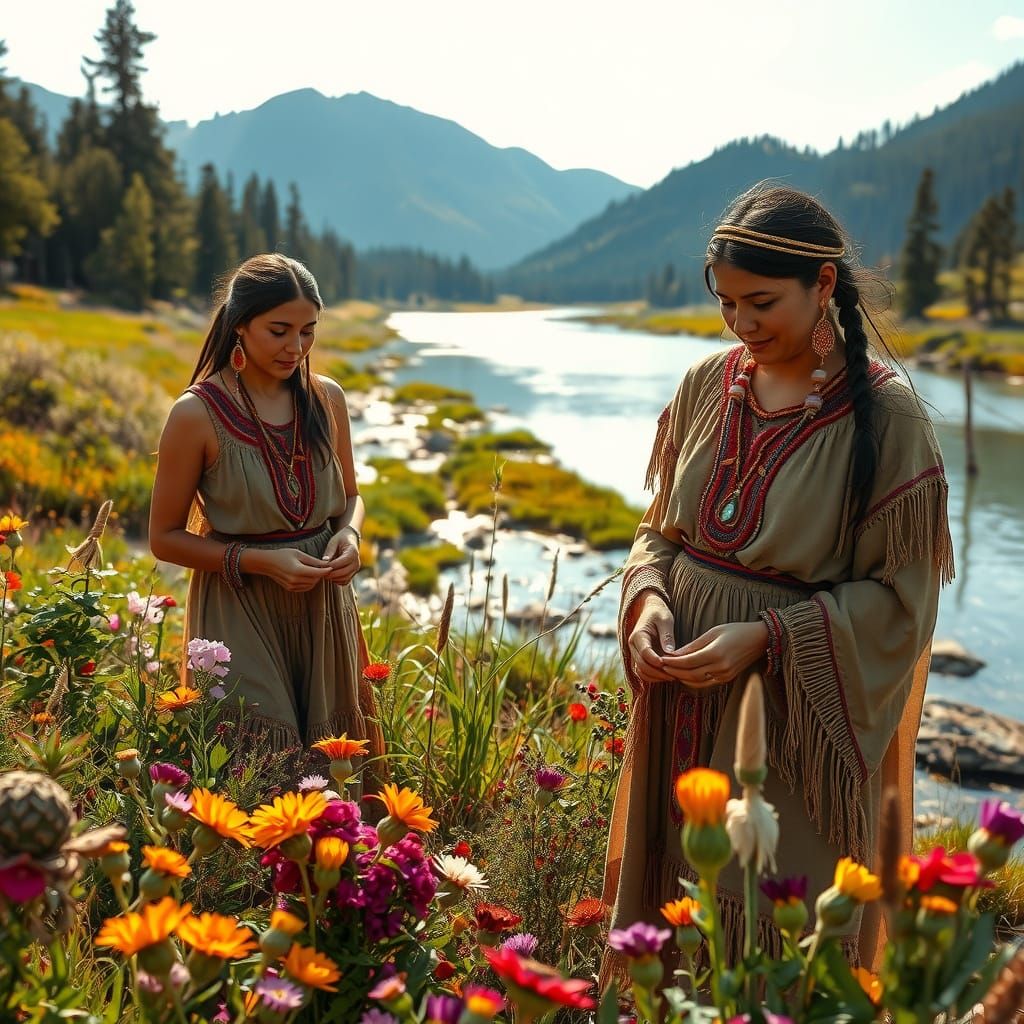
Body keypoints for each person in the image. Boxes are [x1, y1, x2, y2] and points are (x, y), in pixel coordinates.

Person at [600, 185, 953, 981]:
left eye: (761, 303)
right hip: (676, 704)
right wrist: (650, 596)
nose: (741, 325)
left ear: (825, 284)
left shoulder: (890, 422)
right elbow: (659, 532)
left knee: (764, 934)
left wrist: (767, 638)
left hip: (789, 724)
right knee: (663, 919)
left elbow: (904, 609)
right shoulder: (704, 384)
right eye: (726, 303)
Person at [149, 253, 384, 775]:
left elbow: (351, 495)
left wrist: (349, 535)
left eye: (307, 331)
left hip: (325, 610)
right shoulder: (195, 414)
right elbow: (164, 538)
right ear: (239, 326)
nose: (295, 347)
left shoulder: (327, 400)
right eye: (279, 330)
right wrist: (260, 561)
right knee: (261, 769)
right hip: (238, 610)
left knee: (334, 775)